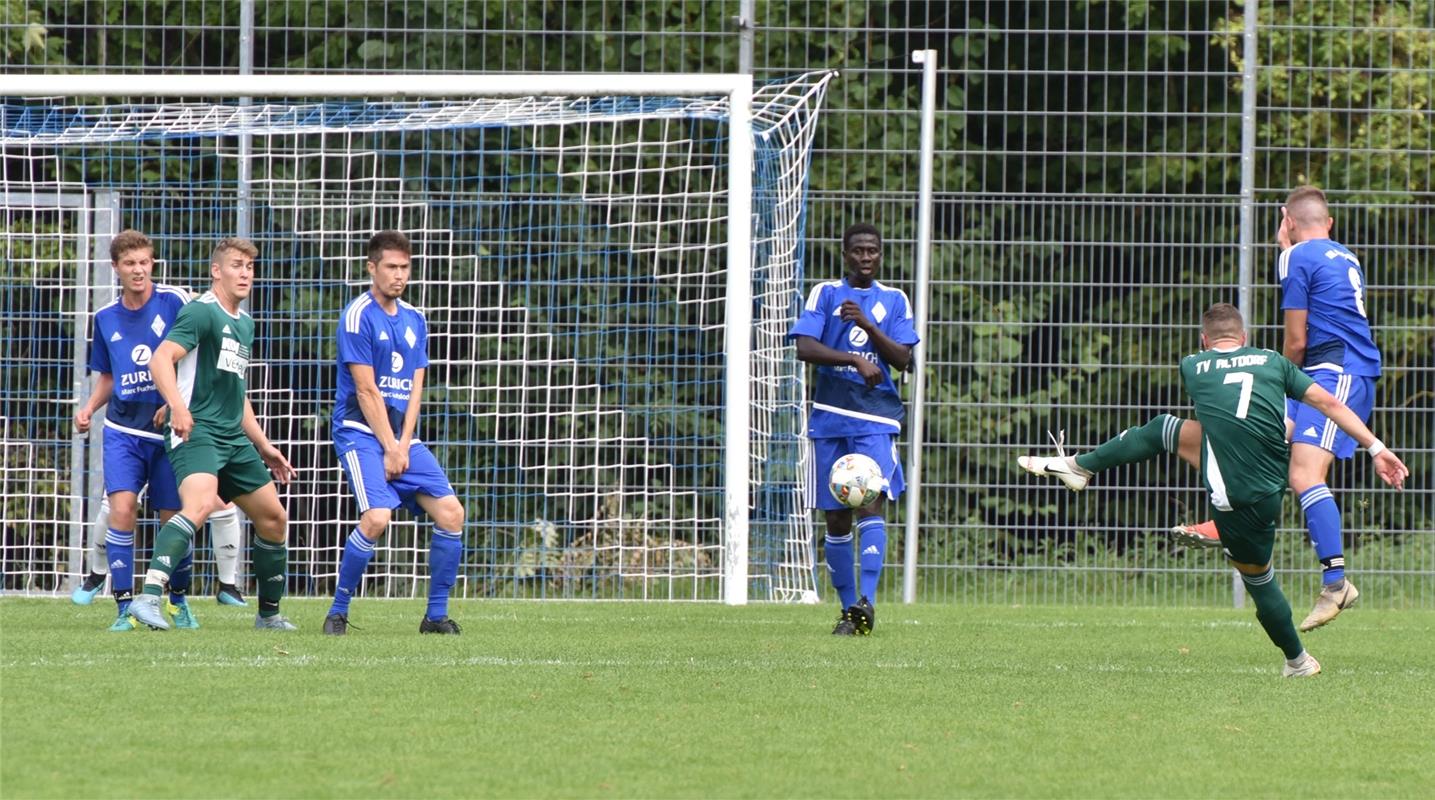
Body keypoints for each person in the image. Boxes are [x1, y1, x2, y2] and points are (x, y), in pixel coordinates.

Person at [1022, 187, 1382, 632]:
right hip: (1343, 368)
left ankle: (1336, 582)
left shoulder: (1293, 258)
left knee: (1304, 474)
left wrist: (1282, 383)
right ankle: (1094, 470)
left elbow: (1296, 341)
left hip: (1336, 370)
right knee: (1229, 435)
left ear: (1286, 220)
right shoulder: (1343, 255)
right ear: (1327, 223)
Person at [1023, 304, 1407, 676]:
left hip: (1237, 494)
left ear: (1204, 339)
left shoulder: (1193, 366)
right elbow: (1326, 402)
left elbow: (1225, 406)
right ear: (1245, 336)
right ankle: (1079, 467)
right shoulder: (1272, 361)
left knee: (1258, 579)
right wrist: (1377, 448)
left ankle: (1299, 660)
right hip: (1262, 485)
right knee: (1166, 429)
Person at [69, 230, 246, 631]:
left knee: (176, 519)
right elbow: (110, 376)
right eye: (129, 264)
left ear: (153, 264)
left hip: (172, 431)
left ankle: (178, 600)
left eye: (144, 262)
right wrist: (88, 409)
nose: (138, 270)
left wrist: (178, 400)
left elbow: (192, 354)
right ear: (116, 268)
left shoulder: (176, 301)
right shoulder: (106, 318)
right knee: (121, 508)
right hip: (122, 431)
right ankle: (123, 607)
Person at [125, 237, 298, 631]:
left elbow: (237, 396)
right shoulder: (201, 312)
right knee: (200, 505)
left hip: (232, 438)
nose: (245, 273)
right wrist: (179, 408)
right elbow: (161, 358)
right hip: (197, 431)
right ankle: (148, 598)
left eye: (250, 267)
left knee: (273, 518)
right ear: (216, 271)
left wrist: (264, 445)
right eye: (237, 265)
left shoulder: (245, 323)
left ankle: (268, 615)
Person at [322, 230, 465, 636]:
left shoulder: (415, 318)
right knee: (377, 518)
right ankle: (337, 611)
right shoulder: (357, 315)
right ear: (372, 268)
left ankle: (435, 617)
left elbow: (417, 387)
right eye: (391, 267)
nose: (399, 275)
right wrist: (389, 446)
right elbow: (366, 390)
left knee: (453, 514)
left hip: (401, 439)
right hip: (360, 433)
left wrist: (403, 444)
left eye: (405, 267)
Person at [788, 223, 919, 636]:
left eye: (873, 251)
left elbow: (901, 358)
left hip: (875, 418)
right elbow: (805, 348)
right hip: (829, 417)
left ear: (880, 255)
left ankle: (868, 600)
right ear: (845, 254)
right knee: (837, 517)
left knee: (871, 503)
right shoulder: (825, 294)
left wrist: (867, 324)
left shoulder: (894, 299)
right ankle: (850, 613)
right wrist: (852, 358)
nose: (866, 257)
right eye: (859, 250)